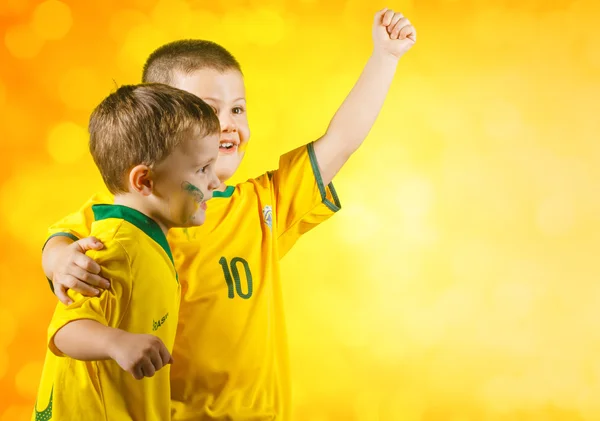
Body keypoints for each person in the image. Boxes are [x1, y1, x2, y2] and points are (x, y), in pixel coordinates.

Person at [40, 9, 417, 420]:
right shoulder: (130, 212)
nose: (227, 124)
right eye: (206, 110)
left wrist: (385, 57)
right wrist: (60, 259)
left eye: (238, 109)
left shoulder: (262, 204)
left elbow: (341, 141)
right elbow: (65, 244)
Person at [32, 83, 221, 420]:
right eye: (202, 169)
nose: (215, 182)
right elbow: (66, 331)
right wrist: (117, 343)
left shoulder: (146, 239)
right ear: (145, 181)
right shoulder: (116, 248)